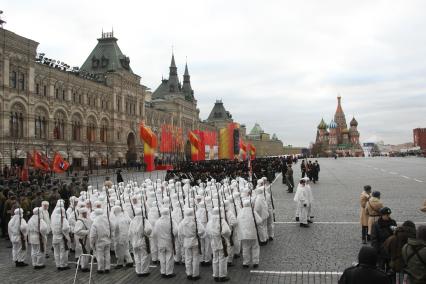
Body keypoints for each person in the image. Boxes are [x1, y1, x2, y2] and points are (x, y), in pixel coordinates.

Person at [178, 207, 205, 281]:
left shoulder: (182, 222)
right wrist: (197, 234)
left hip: (186, 241)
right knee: (195, 258)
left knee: (188, 258)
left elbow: (179, 233)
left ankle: (189, 274)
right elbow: (202, 230)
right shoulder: (195, 221)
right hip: (194, 241)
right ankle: (195, 274)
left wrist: (182, 241)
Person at [206, 207, 231, 282]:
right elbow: (227, 231)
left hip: (213, 242)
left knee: (215, 259)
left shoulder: (210, 221)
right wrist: (223, 235)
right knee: (222, 259)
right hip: (221, 242)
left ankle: (216, 275)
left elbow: (207, 232)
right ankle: (222, 275)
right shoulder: (221, 220)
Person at [153, 207, 178, 278]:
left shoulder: (157, 221)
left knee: (162, 257)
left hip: (160, 242)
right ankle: (169, 272)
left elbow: (154, 232)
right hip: (168, 242)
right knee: (169, 257)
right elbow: (175, 231)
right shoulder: (171, 221)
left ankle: (163, 271)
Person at [237, 199, 261, 268]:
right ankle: (255, 262)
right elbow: (259, 221)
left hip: (243, 235)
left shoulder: (240, 212)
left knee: (245, 248)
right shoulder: (253, 212)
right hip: (253, 233)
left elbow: (237, 222)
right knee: (255, 247)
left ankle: (245, 262)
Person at [128, 208, 152, 277]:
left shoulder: (132, 221)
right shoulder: (144, 220)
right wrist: (146, 234)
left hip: (135, 242)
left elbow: (129, 233)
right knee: (144, 256)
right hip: (142, 241)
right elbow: (149, 229)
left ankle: (138, 271)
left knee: (137, 256)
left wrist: (132, 240)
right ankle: (144, 271)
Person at [90, 208, 113, 274]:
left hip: (99, 241)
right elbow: (112, 227)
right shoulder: (107, 220)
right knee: (107, 254)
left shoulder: (95, 222)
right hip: (107, 240)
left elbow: (92, 235)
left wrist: (92, 243)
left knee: (100, 255)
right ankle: (107, 268)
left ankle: (100, 268)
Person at [51, 206, 71, 271]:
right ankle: (63, 265)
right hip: (62, 237)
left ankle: (58, 265)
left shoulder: (53, 219)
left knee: (56, 252)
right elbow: (66, 228)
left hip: (54, 237)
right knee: (63, 252)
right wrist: (67, 234)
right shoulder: (63, 219)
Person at [74, 207, 92, 272]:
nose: (85, 214)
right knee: (84, 253)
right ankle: (84, 267)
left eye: (85, 213)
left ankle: (82, 264)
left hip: (87, 239)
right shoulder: (80, 221)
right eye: (83, 213)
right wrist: (87, 232)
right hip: (83, 240)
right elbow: (77, 231)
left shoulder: (87, 219)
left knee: (85, 252)